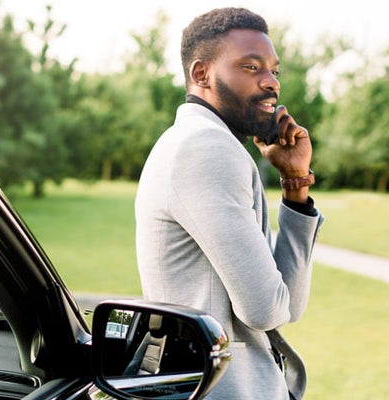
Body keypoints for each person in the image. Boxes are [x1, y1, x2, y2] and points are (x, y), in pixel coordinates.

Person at [134, 7, 324, 400]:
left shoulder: (193, 141)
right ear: (201, 74)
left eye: (274, 70)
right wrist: (277, 306)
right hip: (222, 389)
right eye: (252, 68)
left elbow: (287, 304)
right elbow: (267, 311)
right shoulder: (206, 148)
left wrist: (295, 185)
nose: (271, 83)